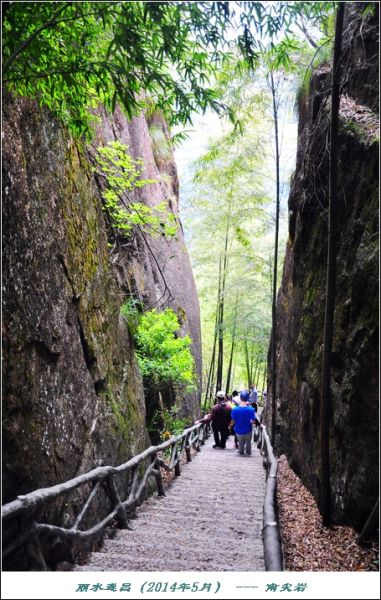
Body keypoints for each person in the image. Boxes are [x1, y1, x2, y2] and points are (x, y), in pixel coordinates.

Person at [231, 390, 255, 456]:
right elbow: (253, 421)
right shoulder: (251, 409)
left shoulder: (235, 409)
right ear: (247, 398)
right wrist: (250, 421)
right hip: (248, 430)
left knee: (240, 443)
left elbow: (233, 420)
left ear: (240, 398)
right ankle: (248, 453)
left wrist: (230, 426)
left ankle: (241, 452)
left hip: (238, 430)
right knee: (248, 442)